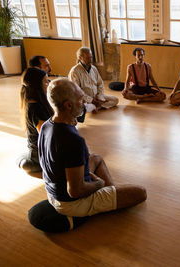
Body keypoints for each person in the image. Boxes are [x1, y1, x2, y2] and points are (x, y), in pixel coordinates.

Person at [38, 78, 146, 217]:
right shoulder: (73, 140)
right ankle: (109, 199)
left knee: (96, 158)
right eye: (80, 99)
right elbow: (75, 191)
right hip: (71, 204)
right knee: (140, 192)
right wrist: (98, 184)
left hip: (53, 193)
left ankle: (111, 195)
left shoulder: (47, 125)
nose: (84, 102)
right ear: (68, 106)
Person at [18, 68, 53, 174]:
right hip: (39, 158)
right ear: (38, 85)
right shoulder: (36, 109)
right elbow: (46, 138)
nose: (49, 83)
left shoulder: (35, 103)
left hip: (38, 152)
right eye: (46, 81)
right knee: (21, 160)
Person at [69, 47, 119, 113]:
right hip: (85, 100)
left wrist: (99, 97)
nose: (90, 60)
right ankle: (95, 106)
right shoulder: (75, 71)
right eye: (87, 58)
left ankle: (96, 106)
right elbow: (77, 92)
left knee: (115, 100)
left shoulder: (93, 68)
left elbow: (100, 84)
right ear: (80, 58)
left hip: (96, 97)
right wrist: (92, 100)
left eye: (91, 57)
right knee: (82, 108)